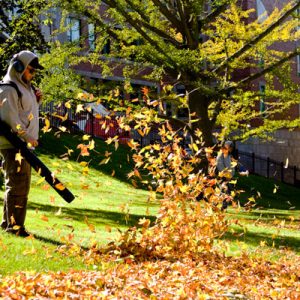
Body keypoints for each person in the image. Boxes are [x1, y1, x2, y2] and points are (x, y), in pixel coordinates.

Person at [0, 50, 44, 237]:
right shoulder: (9, 88)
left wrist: (37, 101)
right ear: (18, 67)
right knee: (18, 185)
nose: (32, 74)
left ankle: (7, 223)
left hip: (23, 145)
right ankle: (16, 228)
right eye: (30, 70)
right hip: (14, 145)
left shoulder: (25, 88)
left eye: (34, 71)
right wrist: (27, 136)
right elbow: (10, 118)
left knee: (17, 184)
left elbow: (26, 114)